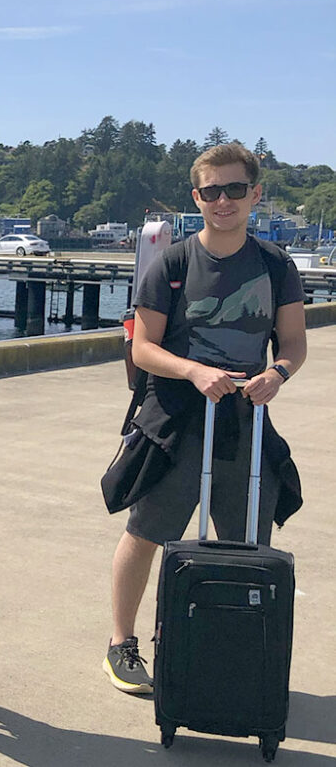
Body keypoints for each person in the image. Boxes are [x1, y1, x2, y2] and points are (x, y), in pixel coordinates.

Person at [103, 142, 307, 694]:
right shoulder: (172, 262)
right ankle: (122, 644)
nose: (223, 201)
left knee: (245, 545)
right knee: (148, 531)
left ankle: (230, 651)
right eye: (211, 191)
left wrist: (278, 375)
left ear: (255, 194)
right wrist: (193, 372)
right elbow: (142, 348)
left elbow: (292, 344)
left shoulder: (276, 265)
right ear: (196, 198)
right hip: (174, 419)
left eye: (234, 189)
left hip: (245, 420)